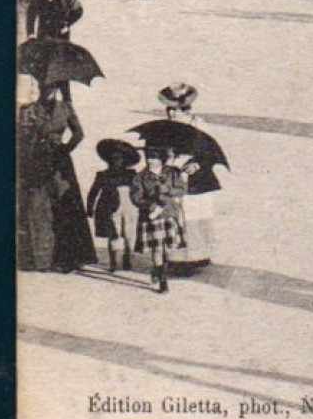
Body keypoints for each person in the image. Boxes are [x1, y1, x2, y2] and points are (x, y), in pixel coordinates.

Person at [17, 78, 96, 273]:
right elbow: (20, 137)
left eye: (51, 88)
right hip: (36, 162)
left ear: (57, 89)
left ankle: (69, 258)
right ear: (39, 89)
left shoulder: (65, 108)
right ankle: (40, 260)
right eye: (44, 88)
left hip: (60, 164)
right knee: (38, 208)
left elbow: (79, 133)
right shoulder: (29, 110)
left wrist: (65, 149)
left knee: (65, 206)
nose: (47, 92)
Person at [130, 146, 188, 293]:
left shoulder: (173, 173)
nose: (149, 160)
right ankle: (163, 281)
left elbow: (182, 189)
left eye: (153, 157)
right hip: (152, 217)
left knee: (168, 249)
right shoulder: (140, 177)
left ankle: (158, 269)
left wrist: (168, 190)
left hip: (169, 215)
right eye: (148, 157)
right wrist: (151, 204)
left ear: (161, 158)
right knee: (157, 249)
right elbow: (136, 197)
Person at [86, 139, 140, 273]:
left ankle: (127, 256)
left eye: (119, 158)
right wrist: (90, 208)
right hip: (109, 207)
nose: (116, 161)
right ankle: (113, 262)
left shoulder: (132, 174)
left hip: (129, 207)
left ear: (125, 160)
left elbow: (140, 190)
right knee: (113, 235)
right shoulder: (103, 175)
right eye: (113, 158)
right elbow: (93, 192)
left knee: (129, 235)